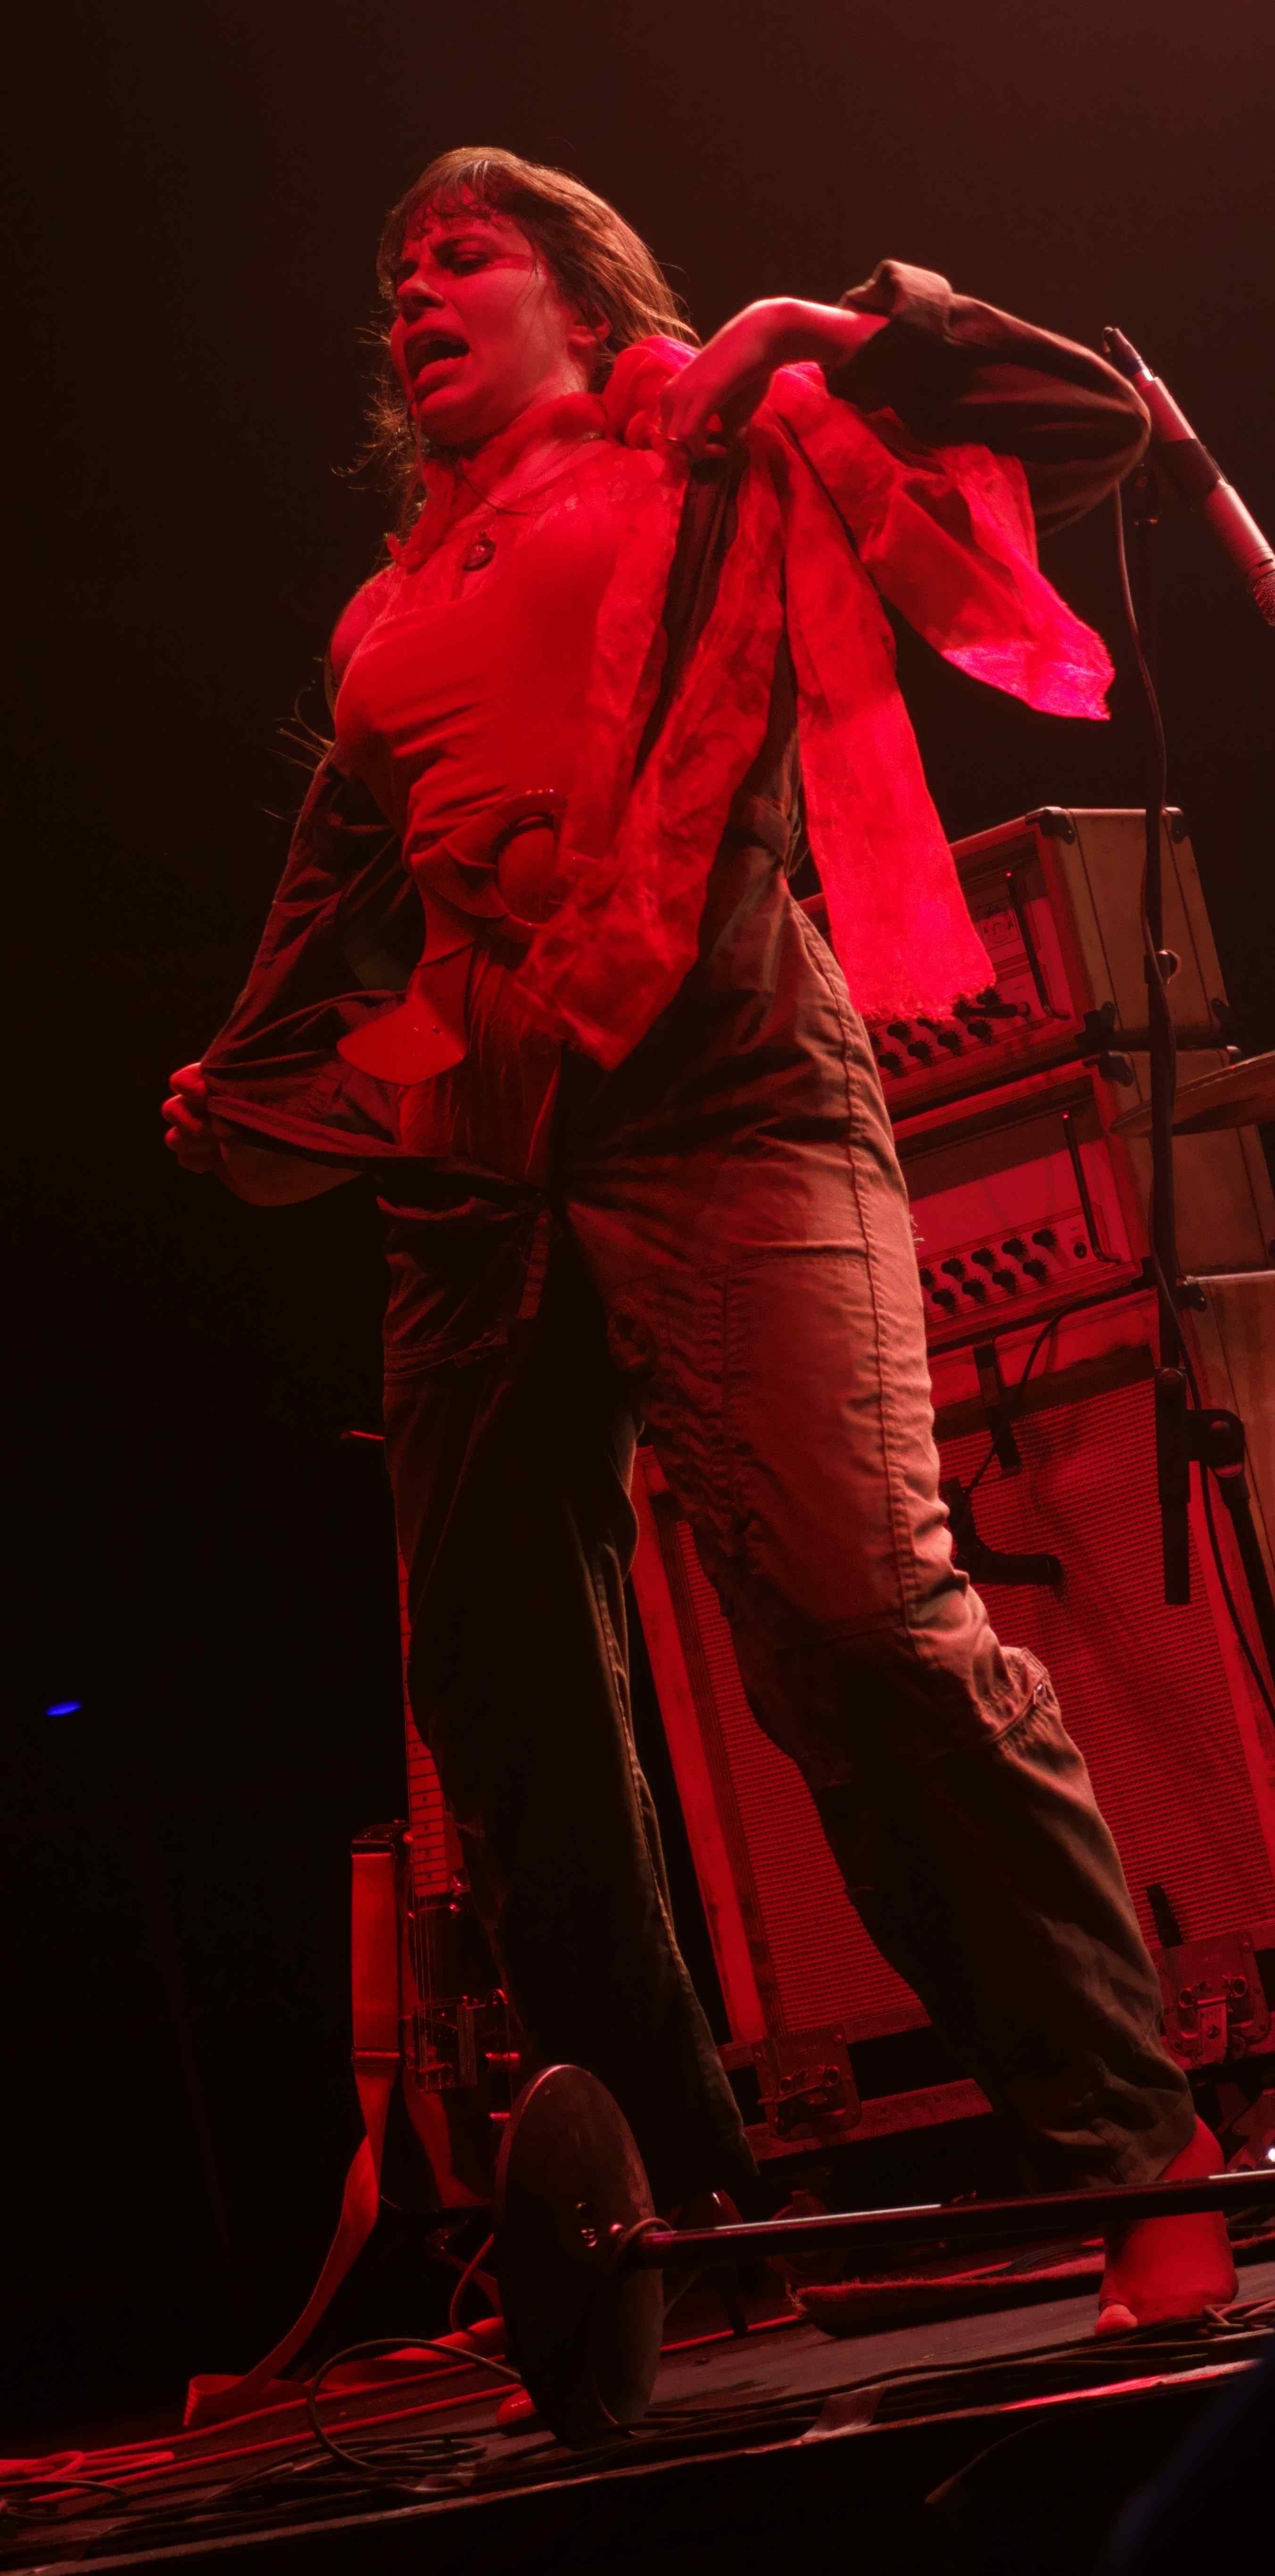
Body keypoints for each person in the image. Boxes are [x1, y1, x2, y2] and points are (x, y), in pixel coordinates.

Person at [164, 147, 1235, 2331]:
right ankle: (687, 2244)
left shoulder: (712, 445)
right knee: (509, 1710)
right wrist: (270, 1080)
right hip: (477, 1168)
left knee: (862, 1624)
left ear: (582, 291)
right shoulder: (383, 612)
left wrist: (836, 323)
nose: (414, 294)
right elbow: (338, 915)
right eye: (396, 275)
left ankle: (1132, 2147)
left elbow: (1077, 428)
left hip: (721, 1078)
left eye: (462, 255)